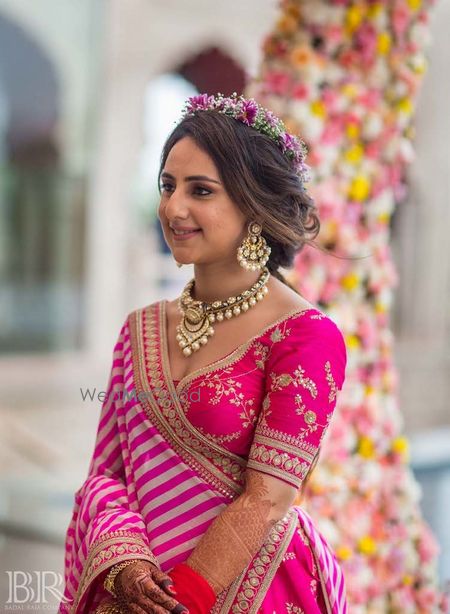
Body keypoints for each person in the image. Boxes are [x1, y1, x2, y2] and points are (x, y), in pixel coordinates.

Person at [59, 92, 348, 614]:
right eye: (168, 186)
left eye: (201, 191)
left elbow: (268, 498)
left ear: (252, 204)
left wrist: (185, 598)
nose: (173, 208)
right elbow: (107, 476)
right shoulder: (140, 329)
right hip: (140, 593)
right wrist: (126, 565)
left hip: (253, 589)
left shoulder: (306, 336)